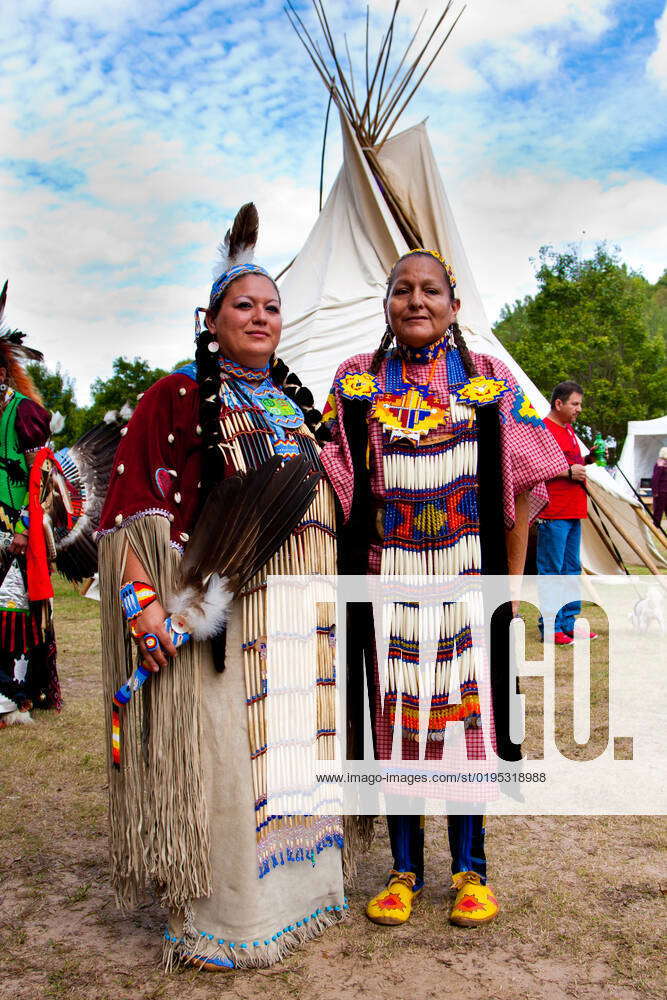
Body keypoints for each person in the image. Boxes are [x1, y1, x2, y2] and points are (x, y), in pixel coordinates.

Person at [97, 205, 345, 971]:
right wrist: (144, 606)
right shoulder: (172, 397)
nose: (262, 317)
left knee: (300, 753)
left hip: (307, 617)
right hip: (227, 627)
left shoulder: (301, 407)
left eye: (272, 307)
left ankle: (304, 900)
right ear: (210, 319)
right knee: (233, 764)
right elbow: (130, 509)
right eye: (245, 305)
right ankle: (231, 918)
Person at [319, 248, 567, 928]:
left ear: (454, 307)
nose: (416, 301)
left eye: (431, 290)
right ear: (386, 305)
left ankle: (469, 872)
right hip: (386, 583)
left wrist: (510, 590)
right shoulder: (354, 382)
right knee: (398, 723)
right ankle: (403, 871)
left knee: (463, 727)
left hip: (465, 584)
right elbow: (330, 482)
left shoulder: (487, 377)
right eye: (402, 290)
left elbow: (523, 486)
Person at [0, 283, 60, 727]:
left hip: (15, 531)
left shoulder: (24, 414)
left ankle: (14, 693)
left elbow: (42, 476)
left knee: (12, 610)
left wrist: (23, 526)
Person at [536, 381, 597, 644]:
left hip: (574, 510)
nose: (579, 409)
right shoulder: (542, 429)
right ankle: (550, 628)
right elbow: (533, 468)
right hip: (553, 511)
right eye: (575, 403)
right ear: (558, 403)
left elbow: (572, 465)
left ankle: (569, 623)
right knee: (552, 571)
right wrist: (568, 472)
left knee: (572, 570)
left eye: (580, 404)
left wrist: (587, 461)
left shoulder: (568, 429)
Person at [650, 446, 667, 528]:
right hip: (661, 492)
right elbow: (655, 479)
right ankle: (656, 527)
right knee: (658, 512)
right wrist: (655, 492)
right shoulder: (658, 464)